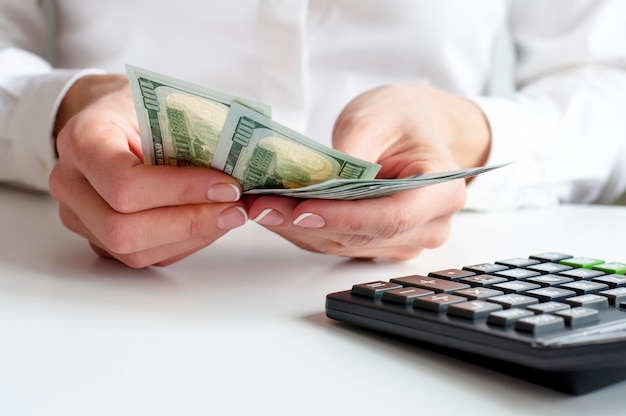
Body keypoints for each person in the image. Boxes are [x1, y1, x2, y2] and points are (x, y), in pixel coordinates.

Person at [1, 0, 625, 268]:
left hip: (435, 285)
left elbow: (609, 80)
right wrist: (66, 113)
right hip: (67, 279)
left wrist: (464, 133)